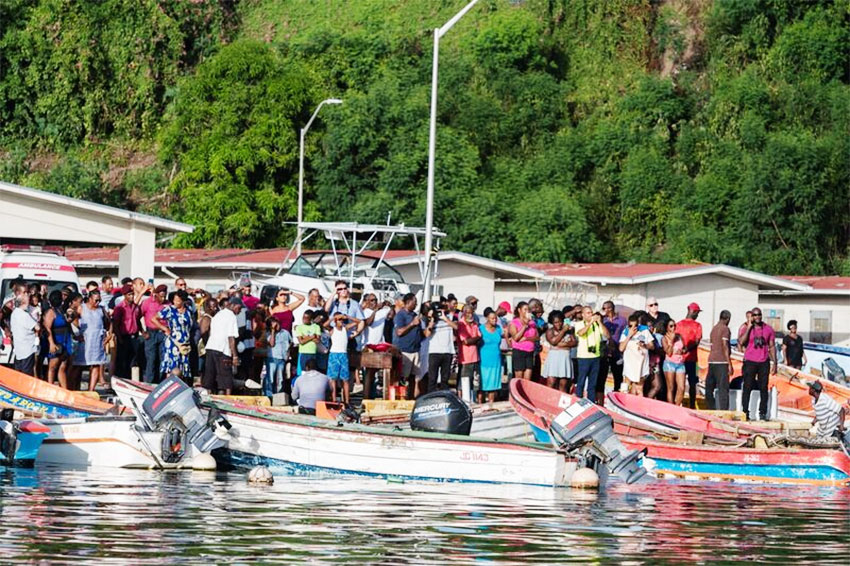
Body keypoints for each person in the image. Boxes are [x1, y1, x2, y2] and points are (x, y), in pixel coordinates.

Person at [739, 307, 777, 420]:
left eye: (759, 315)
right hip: (750, 360)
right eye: (755, 315)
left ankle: (762, 412)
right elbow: (741, 342)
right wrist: (749, 327)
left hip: (763, 361)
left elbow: (772, 346)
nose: (757, 317)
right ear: (752, 317)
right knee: (747, 387)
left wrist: (775, 363)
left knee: (763, 387)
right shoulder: (746, 328)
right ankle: (745, 411)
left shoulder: (768, 329)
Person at [202, 296, 243, 395]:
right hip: (222, 349)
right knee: (226, 376)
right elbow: (231, 337)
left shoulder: (218, 314)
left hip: (210, 347)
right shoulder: (231, 316)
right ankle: (228, 398)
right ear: (233, 305)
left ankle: (210, 396)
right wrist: (235, 356)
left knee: (210, 374)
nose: (240, 311)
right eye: (239, 308)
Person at [72, 289, 112, 391]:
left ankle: (91, 389)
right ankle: (74, 387)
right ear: (90, 299)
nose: (97, 302)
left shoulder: (101, 309)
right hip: (85, 340)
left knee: (96, 364)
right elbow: (72, 319)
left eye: (99, 300)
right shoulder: (82, 308)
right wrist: (77, 332)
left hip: (97, 340)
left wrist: (109, 335)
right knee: (79, 365)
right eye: (95, 300)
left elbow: (109, 322)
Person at [153, 290, 193, 383]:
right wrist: (165, 328)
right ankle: (169, 386)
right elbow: (154, 318)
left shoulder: (189, 310)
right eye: (174, 300)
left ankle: (180, 387)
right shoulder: (169, 309)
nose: (175, 303)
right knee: (172, 367)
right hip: (173, 342)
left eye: (178, 300)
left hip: (185, 343)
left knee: (183, 367)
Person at [574, 306, 609, 403]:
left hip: (595, 357)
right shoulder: (579, 324)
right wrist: (590, 323)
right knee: (581, 381)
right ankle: (578, 400)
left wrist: (600, 322)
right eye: (588, 313)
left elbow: (607, 335)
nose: (591, 315)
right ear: (583, 315)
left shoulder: (597, 325)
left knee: (592, 383)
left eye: (591, 312)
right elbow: (581, 333)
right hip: (583, 357)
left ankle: (591, 402)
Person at [394, 293, 423, 398]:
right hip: (405, 350)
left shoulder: (415, 315)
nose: (416, 304)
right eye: (414, 302)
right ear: (407, 302)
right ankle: (401, 397)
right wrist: (412, 324)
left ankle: (411, 398)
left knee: (414, 377)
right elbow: (399, 332)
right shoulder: (400, 315)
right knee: (403, 377)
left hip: (416, 350)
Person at [43, 290, 74, 388]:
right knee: (53, 366)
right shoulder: (51, 312)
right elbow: (47, 328)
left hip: (65, 340)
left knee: (62, 366)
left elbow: (68, 322)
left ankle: (64, 389)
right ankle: (50, 387)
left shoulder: (62, 310)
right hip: (56, 341)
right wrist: (52, 343)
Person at [112, 284, 142, 380]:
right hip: (124, 336)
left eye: (132, 294)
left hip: (134, 336)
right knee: (122, 362)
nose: (131, 296)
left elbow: (137, 320)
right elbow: (115, 325)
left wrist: (142, 331)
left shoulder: (135, 307)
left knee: (132, 361)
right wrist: (120, 338)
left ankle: (128, 380)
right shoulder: (120, 308)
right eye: (129, 294)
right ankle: (119, 380)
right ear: (124, 295)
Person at [619, 313, 654, 396]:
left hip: (641, 363)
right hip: (629, 363)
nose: (633, 328)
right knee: (626, 385)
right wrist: (629, 336)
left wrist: (644, 345)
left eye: (635, 326)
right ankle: (624, 403)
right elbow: (621, 348)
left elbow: (652, 346)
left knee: (639, 388)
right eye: (630, 326)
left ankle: (638, 405)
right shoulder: (625, 332)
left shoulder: (644, 331)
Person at [426, 301, 457, 393]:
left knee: (445, 378)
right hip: (434, 351)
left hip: (447, 351)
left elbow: (456, 327)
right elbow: (427, 333)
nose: (438, 313)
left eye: (440, 310)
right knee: (432, 378)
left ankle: (444, 396)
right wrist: (432, 320)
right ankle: (431, 396)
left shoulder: (450, 317)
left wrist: (445, 318)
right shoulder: (429, 320)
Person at [676, 303, 703, 409]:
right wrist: (687, 349)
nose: (697, 315)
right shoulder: (698, 325)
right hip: (691, 359)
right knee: (692, 383)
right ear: (694, 312)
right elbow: (697, 341)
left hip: (680, 359)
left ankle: (678, 403)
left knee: (679, 384)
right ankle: (691, 405)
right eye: (697, 313)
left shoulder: (678, 324)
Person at [598, 301, 626, 399]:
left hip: (617, 352)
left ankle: (617, 398)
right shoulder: (603, 321)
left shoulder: (622, 320)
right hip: (604, 353)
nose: (604, 310)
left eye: (605, 308)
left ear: (610, 308)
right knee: (601, 378)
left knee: (618, 378)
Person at [706, 310, 733, 410]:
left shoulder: (714, 329)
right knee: (723, 389)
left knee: (709, 388)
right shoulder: (725, 329)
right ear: (728, 319)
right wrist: (729, 363)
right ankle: (723, 411)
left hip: (712, 361)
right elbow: (725, 346)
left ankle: (711, 408)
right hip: (722, 362)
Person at [543, 310, 575, 393]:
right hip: (554, 358)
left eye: (560, 322)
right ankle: (548, 401)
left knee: (563, 384)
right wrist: (563, 331)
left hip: (565, 357)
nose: (558, 324)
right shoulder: (550, 331)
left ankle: (561, 403)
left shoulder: (570, 330)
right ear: (552, 323)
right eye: (556, 322)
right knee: (551, 382)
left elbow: (574, 342)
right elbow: (553, 342)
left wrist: (560, 344)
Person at [141, 285, 167, 384]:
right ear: (155, 295)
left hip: (163, 333)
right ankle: (149, 383)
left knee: (162, 360)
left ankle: (160, 383)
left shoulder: (167, 304)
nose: (163, 299)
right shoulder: (147, 303)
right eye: (161, 296)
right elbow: (137, 315)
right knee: (151, 360)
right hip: (151, 333)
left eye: (164, 296)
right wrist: (143, 331)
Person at [457, 304, 482, 404]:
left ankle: (472, 400)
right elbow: (466, 341)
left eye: (471, 312)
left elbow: (480, 337)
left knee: (475, 381)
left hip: (475, 357)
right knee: (463, 382)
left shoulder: (475, 324)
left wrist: (474, 339)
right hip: (465, 358)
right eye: (467, 312)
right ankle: (462, 401)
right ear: (463, 313)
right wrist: (475, 338)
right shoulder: (461, 324)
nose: (470, 315)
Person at [10, 295, 39, 376]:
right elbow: (37, 327)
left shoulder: (14, 313)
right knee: (27, 374)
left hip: (19, 349)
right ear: (23, 303)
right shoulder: (24, 315)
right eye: (28, 301)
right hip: (27, 349)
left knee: (19, 374)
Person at [509, 302, 538, 381]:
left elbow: (537, 337)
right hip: (519, 351)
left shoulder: (532, 323)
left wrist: (526, 339)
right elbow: (516, 338)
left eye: (528, 310)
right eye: (525, 309)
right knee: (519, 378)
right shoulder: (514, 322)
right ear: (519, 310)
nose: (527, 311)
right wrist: (525, 326)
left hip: (530, 352)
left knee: (527, 378)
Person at [325, 313, 351, 404]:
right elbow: (325, 325)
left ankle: (347, 401)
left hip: (343, 354)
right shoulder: (333, 330)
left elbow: (359, 322)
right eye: (339, 320)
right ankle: (334, 400)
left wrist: (347, 317)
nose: (341, 321)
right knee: (333, 379)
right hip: (334, 354)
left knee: (345, 379)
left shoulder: (345, 329)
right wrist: (333, 317)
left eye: (342, 320)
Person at [478, 310, 503, 404]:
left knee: (493, 384)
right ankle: (480, 403)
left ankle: (491, 404)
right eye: (492, 318)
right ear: (486, 319)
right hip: (484, 361)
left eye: (495, 318)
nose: (494, 320)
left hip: (496, 360)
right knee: (482, 385)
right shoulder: (481, 329)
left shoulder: (498, 329)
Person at [662, 320, 687, 405]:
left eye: (674, 326)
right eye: (671, 326)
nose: (673, 328)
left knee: (681, 387)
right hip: (670, 363)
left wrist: (682, 351)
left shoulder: (679, 336)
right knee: (671, 387)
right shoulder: (664, 338)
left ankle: (677, 405)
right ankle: (671, 406)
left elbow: (685, 348)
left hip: (680, 363)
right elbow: (668, 353)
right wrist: (672, 342)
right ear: (667, 328)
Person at [266, 316, 291, 396]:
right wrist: (273, 331)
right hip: (272, 358)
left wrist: (288, 353)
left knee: (280, 379)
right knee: (271, 378)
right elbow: (272, 344)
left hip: (282, 359)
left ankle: (278, 395)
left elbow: (290, 343)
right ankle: (269, 395)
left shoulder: (286, 333)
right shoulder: (269, 334)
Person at [294, 310, 320, 374]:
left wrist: (305, 337)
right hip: (303, 353)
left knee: (312, 372)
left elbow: (317, 341)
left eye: (306, 318)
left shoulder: (316, 327)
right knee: (303, 372)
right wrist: (312, 337)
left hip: (312, 353)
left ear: (311, 319)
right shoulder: (299, 327)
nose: (304, 320)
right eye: (303, 317)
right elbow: (301, 341)